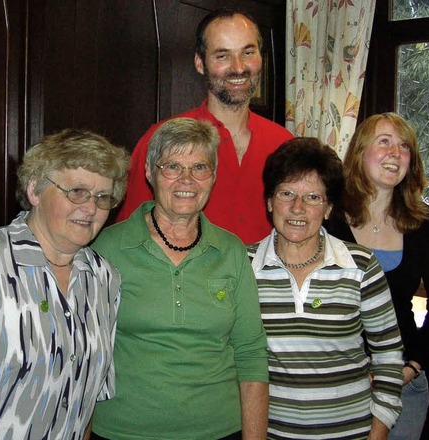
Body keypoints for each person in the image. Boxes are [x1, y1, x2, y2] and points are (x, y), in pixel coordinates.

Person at [0, 129, 129, 439]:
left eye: (102, 197)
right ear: (35, 191)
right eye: (77, 191)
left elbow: (87, 398)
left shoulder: (104, 278)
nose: (91, 208)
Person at [89, 118, 269, 440]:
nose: (187, 179)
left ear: (213, 176)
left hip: (219, 430)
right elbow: (86, 355)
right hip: (122, 431)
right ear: (149, 172)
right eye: (172, 166)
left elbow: (251, 352)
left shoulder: (231, 251)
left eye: (200, 167)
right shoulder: (107, 248)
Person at [247, 137, 404, 439]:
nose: (297, 208)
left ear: (329, 208)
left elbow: (388, 357)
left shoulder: (360, 265)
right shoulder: (243, 266)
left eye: (313, 197)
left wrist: (377, 433)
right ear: (269, 201)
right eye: (287, 193)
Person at [116, 7, 293, 244]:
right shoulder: (160, 139)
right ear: (200, 63)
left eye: (248, 52)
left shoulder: (283, 143)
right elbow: (129, 235)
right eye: (223, 55)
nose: (239, 67)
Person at [325, 113, 429, 440]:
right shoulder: (327, 216)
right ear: (359, 152)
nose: (395, 153)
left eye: (404, 147)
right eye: (384, 141)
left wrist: (413, 366)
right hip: (333, 386)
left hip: (403, 385)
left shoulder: (424, 224)